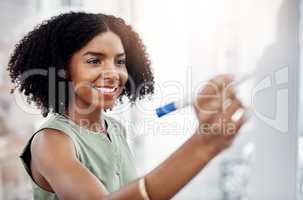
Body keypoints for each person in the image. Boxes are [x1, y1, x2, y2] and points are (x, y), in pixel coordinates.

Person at [7, 12, 247, 200]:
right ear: (62, 69)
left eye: (120, 62)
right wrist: (201, 146)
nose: (114, 73)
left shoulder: (114, 129)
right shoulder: (51, 140)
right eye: (94, 60)